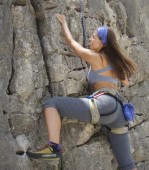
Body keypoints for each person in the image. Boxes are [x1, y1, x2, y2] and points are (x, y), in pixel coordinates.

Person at [26, 14, 137, 170]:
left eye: (93, 37)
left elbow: (72, 43)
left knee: (52, 103)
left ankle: (53, 148)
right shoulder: (116, 63)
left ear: (103, 43)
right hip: (118, 113)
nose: (90, 39)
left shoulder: (96, 57)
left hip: (104, 104)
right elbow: (126, 82)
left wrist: (64, 22)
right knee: (128, 165)